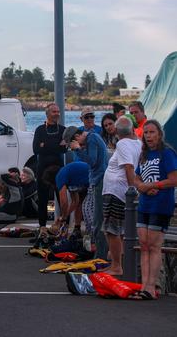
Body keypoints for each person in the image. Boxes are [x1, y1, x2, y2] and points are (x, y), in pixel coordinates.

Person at [133, 120, 177, 299]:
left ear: (159, 134)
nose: (149, 136)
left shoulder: (166, 153)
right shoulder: (144, 154)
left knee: (154, 245)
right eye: (146, 133)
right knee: (143, 244)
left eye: (152, 132)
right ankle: (144, 285)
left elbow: (174, 179)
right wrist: (141, 185)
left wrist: (155, 185)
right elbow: (136, 177)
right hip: (144, 204)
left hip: (161, 204)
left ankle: (152, 286)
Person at [102, 116, 142, 276]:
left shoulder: (123, 144)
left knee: (112, 230)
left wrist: (133, 190)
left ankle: (116, 266)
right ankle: (120, 263)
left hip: (115, 191)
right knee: (122, 230)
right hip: (120, 191)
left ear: (118, 132)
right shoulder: (138, 143)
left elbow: (129, 167)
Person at [63, 126, 109, 259]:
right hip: (95, 181)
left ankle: (100, 255)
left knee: (97, 219)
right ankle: (97, 250)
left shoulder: (92, 138)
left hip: (100, 180)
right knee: (89, 213)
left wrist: (77, 149)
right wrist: (78, 150)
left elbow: (92, 161)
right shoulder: (89, 139)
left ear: (77, 137)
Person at [32, 103, 66, 230]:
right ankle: (42, 227)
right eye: (54, 112)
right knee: (43, 199)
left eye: (58, 111)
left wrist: (45, 146)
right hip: (43, 169)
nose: (57, 114)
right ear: (47, 114)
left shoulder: (62, 130)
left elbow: (63, 149)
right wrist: (56, 146)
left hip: (58, 168)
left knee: (62, 199)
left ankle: (63, 225)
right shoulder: (40, 130)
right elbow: (36, 149)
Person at [42, 162, 90, 236]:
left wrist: (63, 218)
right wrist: (63, 217)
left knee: (87, 209)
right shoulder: (68, 176)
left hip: (94, 179)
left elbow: (64, 202)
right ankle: (77, 228)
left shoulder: (59, 176)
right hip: (89, 179)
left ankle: (93, 236)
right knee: (80, 204)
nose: (51, 186)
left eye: (50, 184)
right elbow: (75, 201)